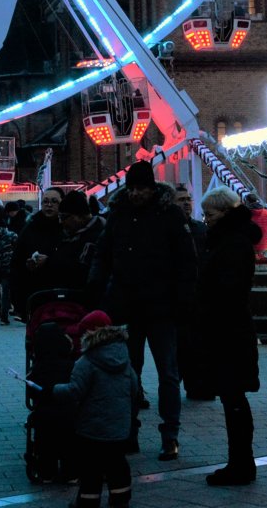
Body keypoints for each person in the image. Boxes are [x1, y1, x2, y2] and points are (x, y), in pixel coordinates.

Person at [87, 161, 197, 460]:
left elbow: (187, 261)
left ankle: (170, 434)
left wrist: (183, 300)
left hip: (162, 306)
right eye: (133, 188)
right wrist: (98, 287)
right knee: (127, 373)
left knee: (168, 374)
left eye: (141, 188)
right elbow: (104, 252)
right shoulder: (119, 214)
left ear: (151, 188)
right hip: (127, 305)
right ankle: (129, 431)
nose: (136, 194)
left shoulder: (169, 214)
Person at [188, 187, 260, 486]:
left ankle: (241, 464)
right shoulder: (230, 239)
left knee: (233, 397)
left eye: (210, 214)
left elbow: (227, 289)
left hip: (228, 329)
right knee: (233, 397)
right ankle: (240, 462)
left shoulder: (232, 243)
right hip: (229, 328)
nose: (206, 220)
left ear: (225, 213)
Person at [48, 309, 140, 508]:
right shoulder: (124, 357)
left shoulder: (87, 361)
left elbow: (75, 391)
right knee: (118, 465)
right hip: (119, 427)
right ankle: (120, 499)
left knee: (91, 468)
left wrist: (54, 390)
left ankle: (88, 502)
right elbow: (134, 387)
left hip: (92, 429)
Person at [14, 187, 70, 307]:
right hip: (36, 293)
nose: (49, 205)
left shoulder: (69, 228)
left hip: (64, 294)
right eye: (45, 201)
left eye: (54, 201)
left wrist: (50, 261)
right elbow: (17, 260)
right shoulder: (30, 228)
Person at [48, 190, 107, 292]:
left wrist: (49, 263)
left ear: (80, 216)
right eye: (59, 217)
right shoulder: (70, 235)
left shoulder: (97, 238)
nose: (61, 222)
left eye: (64, 217)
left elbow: (79, 273)